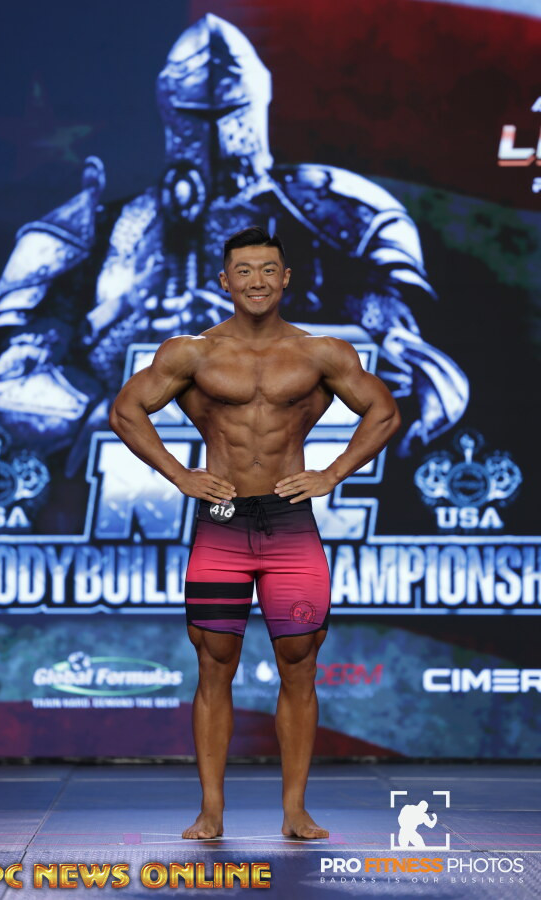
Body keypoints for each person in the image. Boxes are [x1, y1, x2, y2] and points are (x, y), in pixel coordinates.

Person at [109, 225, 401, 840]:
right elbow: (125, 410)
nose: (257, 281)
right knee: (215, 663)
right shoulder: (192, 354)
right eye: (244, 270)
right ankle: (211, 810)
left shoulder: (322, 353)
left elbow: (384, 412)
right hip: (222, 523)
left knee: (300, 661)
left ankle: (295, 810)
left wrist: (332, 473)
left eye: (268, 269)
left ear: (286, 278)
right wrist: (180, 474)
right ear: (225, 281)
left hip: (290, 523)